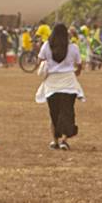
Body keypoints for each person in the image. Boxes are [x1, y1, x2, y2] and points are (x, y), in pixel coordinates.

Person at [35, 23, 83, 151]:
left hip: (52, 84)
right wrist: (77, 72)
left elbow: (39, 61)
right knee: (67, 112)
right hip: (69, 83)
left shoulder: (46, 46)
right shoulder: (73, 47)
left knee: (54, 113)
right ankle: (64, 141)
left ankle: (54, 141)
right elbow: (79, 64)